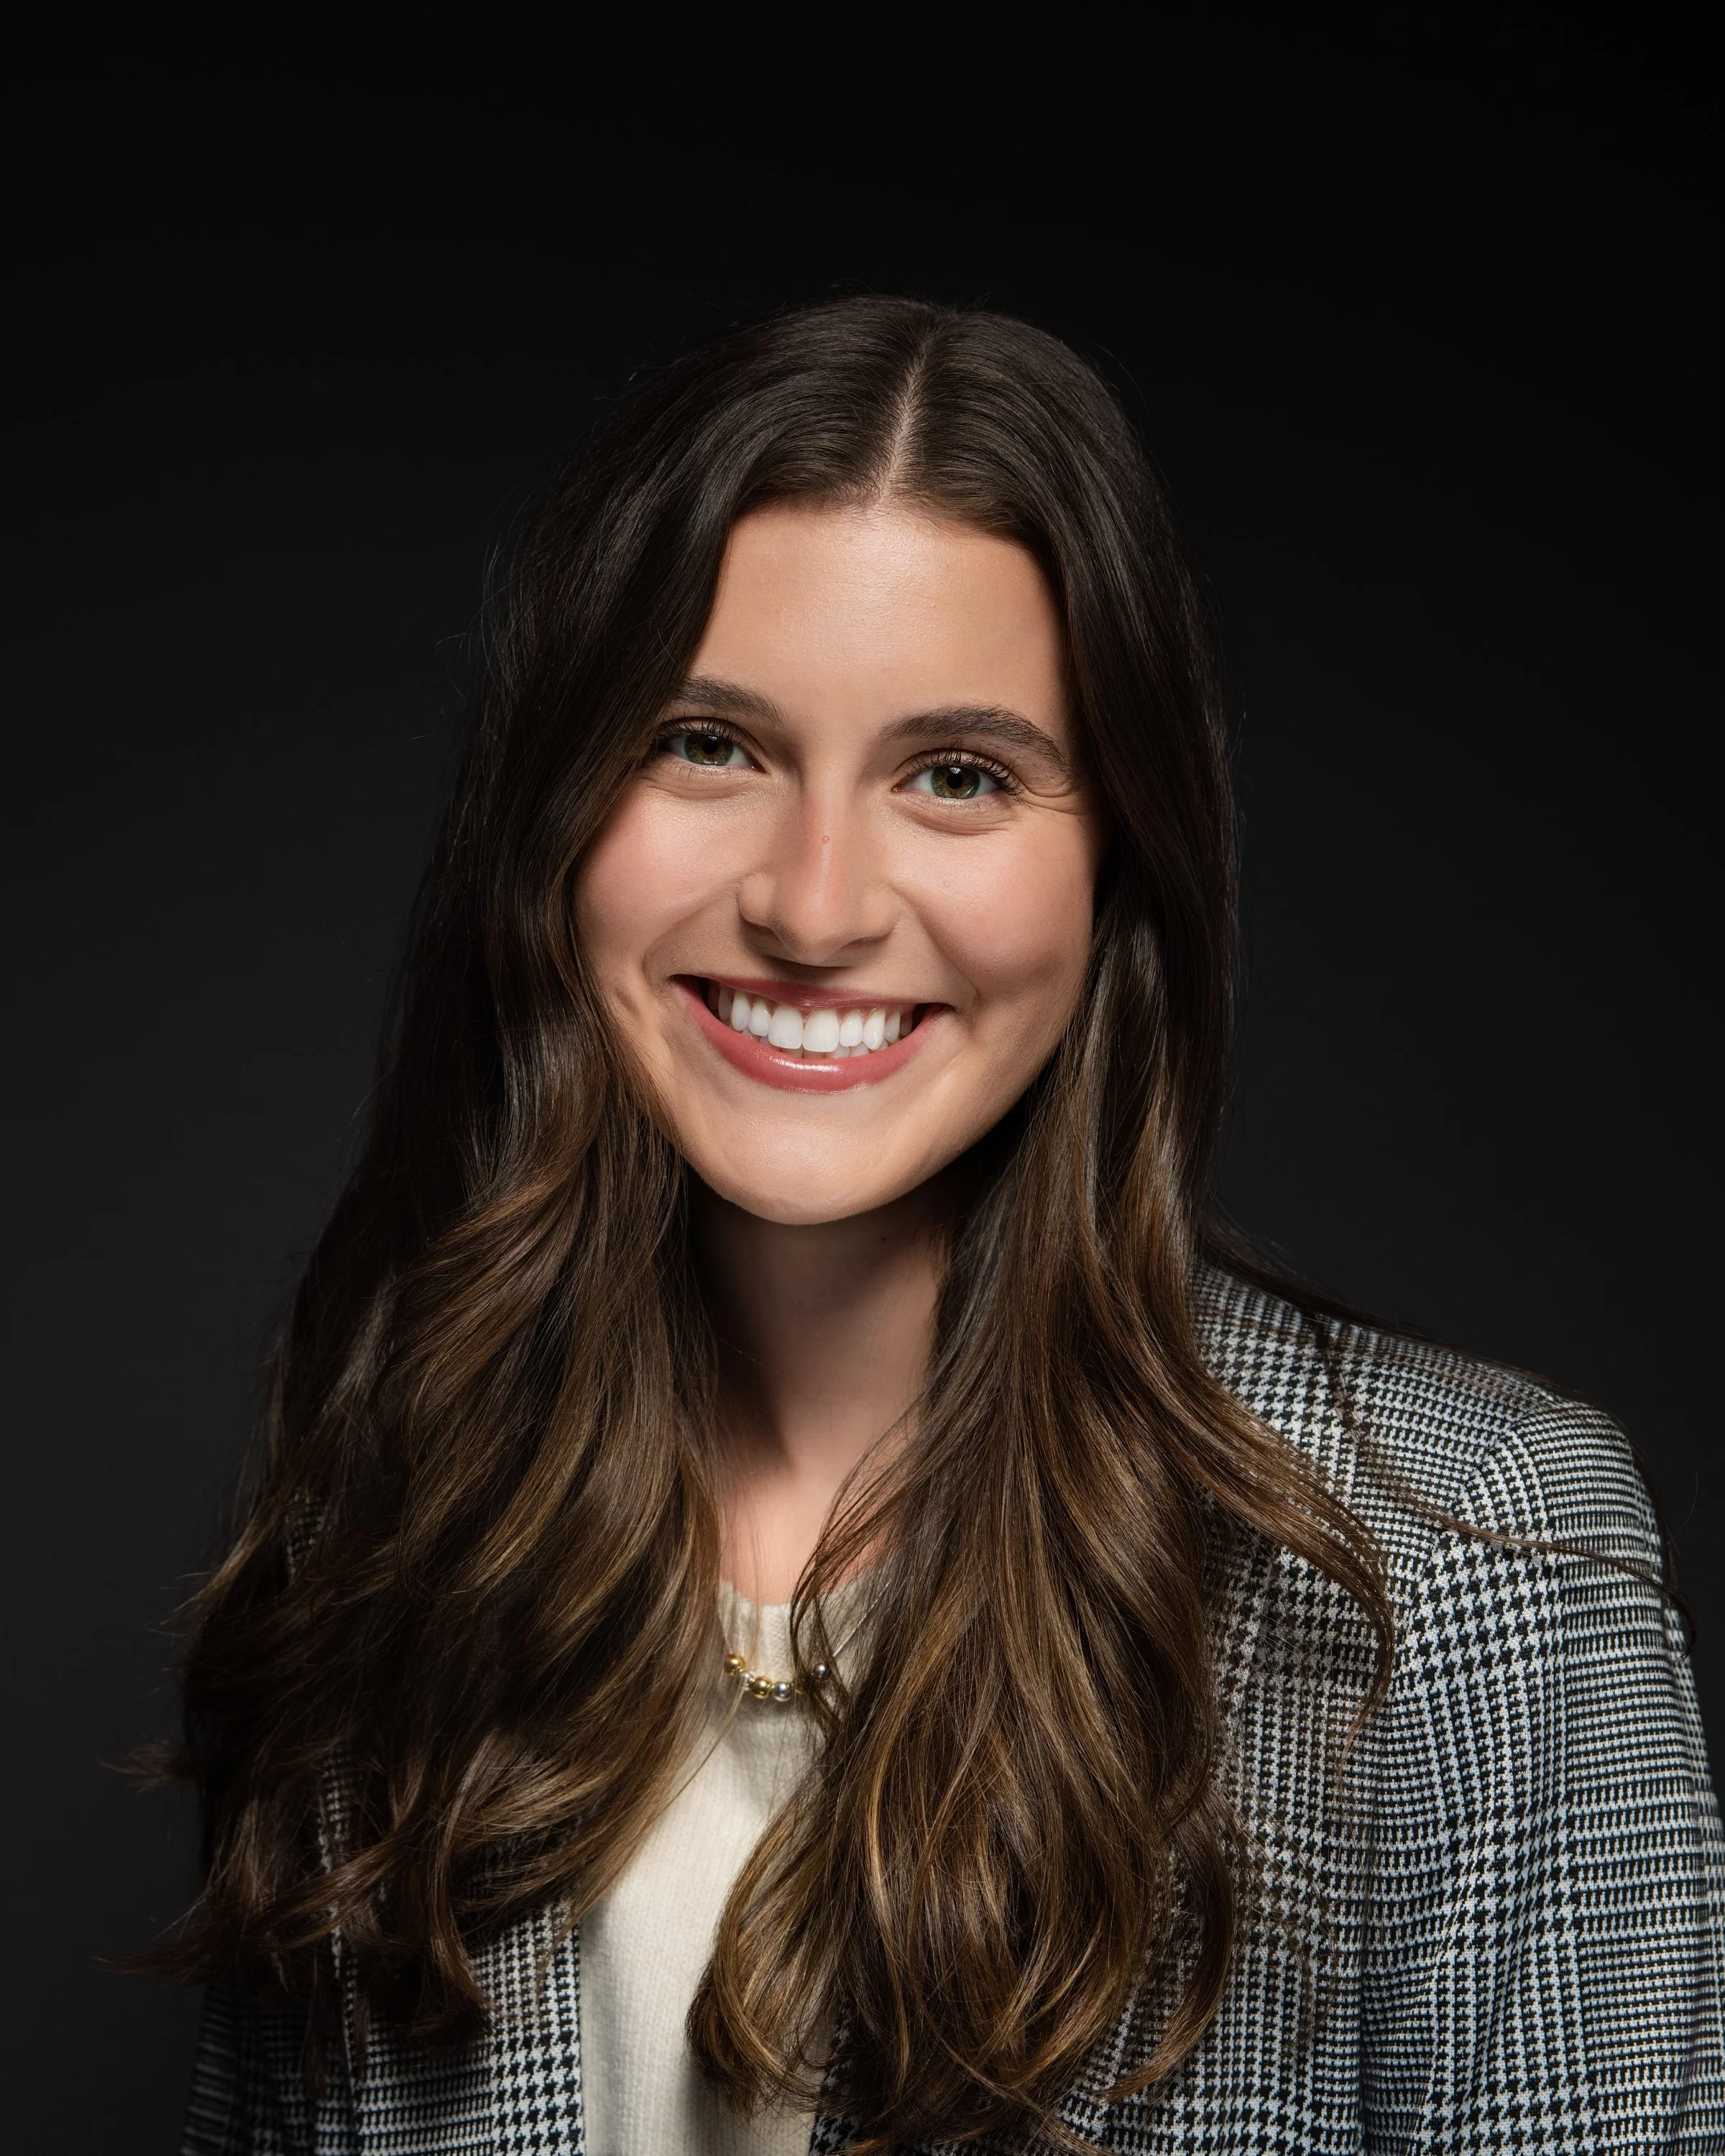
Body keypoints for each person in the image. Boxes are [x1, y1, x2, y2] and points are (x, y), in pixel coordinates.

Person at [162, 297, 1724, 2155]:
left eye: (958, 776)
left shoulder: (1478, 1586)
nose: (815, 904)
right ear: (556, 818)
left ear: (1116, 866)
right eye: (706, 742)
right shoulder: (393, 1518)